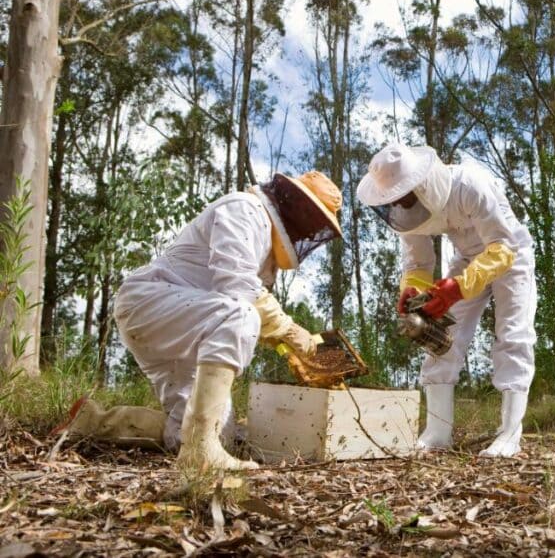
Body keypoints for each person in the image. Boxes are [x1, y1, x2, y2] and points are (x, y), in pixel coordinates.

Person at [52, 171, 343, 471]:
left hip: (184, 320)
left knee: (215, 433)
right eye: (310, 217)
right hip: (149, 302)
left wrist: (282, 339)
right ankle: (200, 450)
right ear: (293, 202)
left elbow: (235, 308)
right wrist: (291, 330)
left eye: (316, 225)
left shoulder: (264, 246)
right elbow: (238, 290)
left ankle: (93, 421)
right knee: (240, 314)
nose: (309, 230)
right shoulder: (245, 210)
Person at [357, 143, 536, 457]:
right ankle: (438, 432)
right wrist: (413, 290)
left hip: (511, 253)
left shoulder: (470, 185)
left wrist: (457, 288)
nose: (402, 205)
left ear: (423, 183)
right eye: (395, 200)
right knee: (440, 336)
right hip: (467, 259)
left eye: (405, 197)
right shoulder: (404, 214)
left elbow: (502, 250)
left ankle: (510, 433)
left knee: (512, 334)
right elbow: (417, 265)